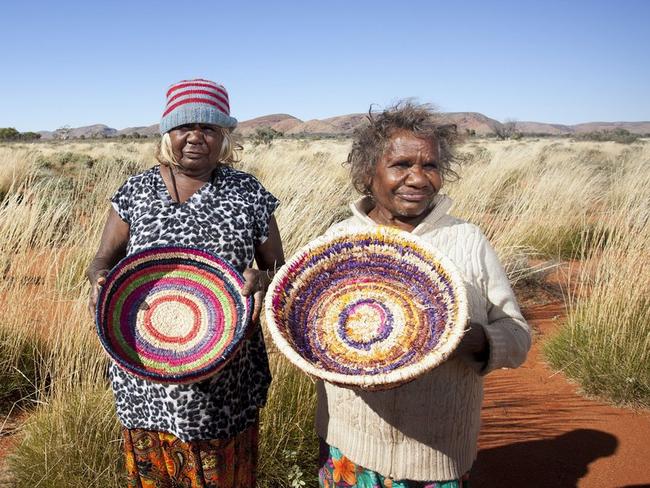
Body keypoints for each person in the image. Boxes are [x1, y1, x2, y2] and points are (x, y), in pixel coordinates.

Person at [315, 101, 531, 487]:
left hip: (438, 454)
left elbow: (517, 334)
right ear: (368, 172)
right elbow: (311, 332)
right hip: (352, 447)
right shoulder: (338, 241)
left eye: (429, 165)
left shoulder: (467, 241)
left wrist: (473, 340)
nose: (417, 178)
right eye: (401, 165)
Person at [87, 78, 284, 487]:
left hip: (225, 370)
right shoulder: (136, 191)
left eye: (209, 128)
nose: (196, 137)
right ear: (167, 133)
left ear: (223, 136)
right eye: (185, 128)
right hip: (145, 361)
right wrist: (99, 278)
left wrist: (261, 277)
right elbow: (103, 257)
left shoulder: (248, 193)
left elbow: (279, 266)